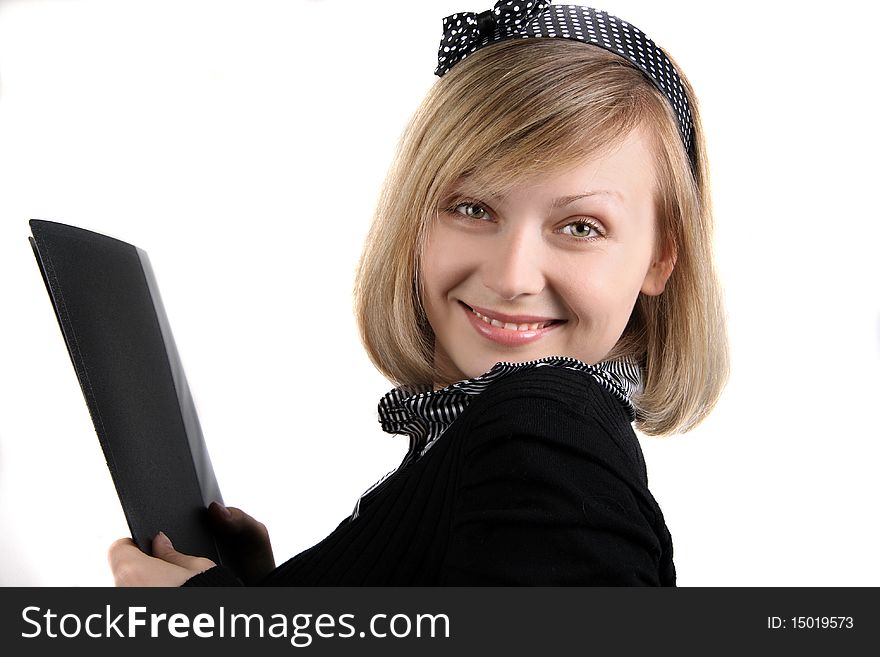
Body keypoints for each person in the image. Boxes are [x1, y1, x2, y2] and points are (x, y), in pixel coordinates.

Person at [108, 0, 729, 586]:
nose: (513, 277)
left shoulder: (545, 427)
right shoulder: (476, 441)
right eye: (472, 207)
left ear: (661, 257)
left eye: (580, 227)